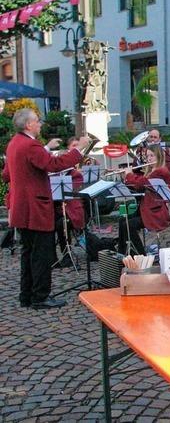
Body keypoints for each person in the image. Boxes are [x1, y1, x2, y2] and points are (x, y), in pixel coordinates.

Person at [2, 108, 89, 309]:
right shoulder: (30, 144)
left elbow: (7, 175)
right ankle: (40, 296)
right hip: (35, 206)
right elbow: (54, 165)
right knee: (41, 253)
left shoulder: (14, 143)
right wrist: (78, 150)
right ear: (28, 125)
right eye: (37, 121)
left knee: (28, 252)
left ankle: (27, 295)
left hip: (21, 206)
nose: (40, 123)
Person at [117, 145, 170, 256]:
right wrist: (125, 177)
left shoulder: (160, 171)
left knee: (128, 225)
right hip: (147, 208)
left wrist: (129, 174)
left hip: (156, 212)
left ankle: (140, 255)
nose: (149, 158)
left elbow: (141, 183)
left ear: (159, 156)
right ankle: (122, 254)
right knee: (122, 221)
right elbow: (138, 187)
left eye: (152, 155)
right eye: (147, 156)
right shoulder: (151, 171)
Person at [53, 136, 88, 268]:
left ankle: (67, 255)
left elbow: (73, 191)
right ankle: (52, 257)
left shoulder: (75, 174)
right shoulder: (55, 176)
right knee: (50, 222)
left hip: (73, 212)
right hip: (59, 210)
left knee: (61, 224)